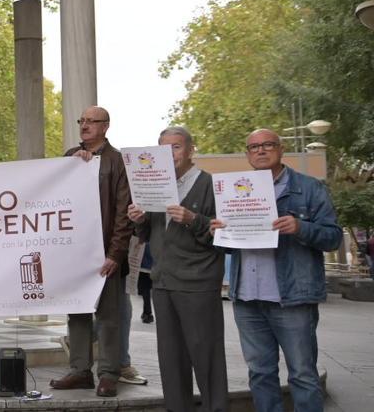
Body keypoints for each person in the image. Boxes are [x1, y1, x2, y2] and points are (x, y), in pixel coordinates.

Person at [214, 129, 341, 412]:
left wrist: (300, 227)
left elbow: (333, 236)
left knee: (303, 375)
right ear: (247, 154)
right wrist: (221, 234)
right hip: (247, 299)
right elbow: (228, 249)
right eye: (253, 147)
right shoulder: (235, 191)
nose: (260, 150)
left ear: (280, 150)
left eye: (268, 145)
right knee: (260, 373)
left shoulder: (309, 188)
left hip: (293, 299)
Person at [126, 126, 228, 411]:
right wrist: (139, 218)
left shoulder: (209, 184)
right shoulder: (154, 184)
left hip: (198, 283)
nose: (170, 154)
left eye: (176, 147)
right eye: (164, 148)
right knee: (171, 360)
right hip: (163, 282)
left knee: (206, 357)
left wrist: (193, 218)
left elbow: (222, 237)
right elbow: (147, 235)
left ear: (191, 150)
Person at [50, 106, 132, 397]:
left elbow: (123, 212)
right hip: (75, 253)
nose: (84, 125)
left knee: (109, 316)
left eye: (91, 121)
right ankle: (79, 370)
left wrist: (115, 254)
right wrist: (72, 164)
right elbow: (53, 193)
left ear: (105, 126)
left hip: (105, 253)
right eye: (81, 120)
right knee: (78, 314)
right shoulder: (71, 156)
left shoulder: (117, 161)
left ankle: (109, 373)